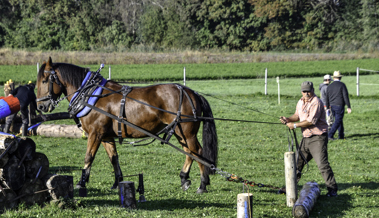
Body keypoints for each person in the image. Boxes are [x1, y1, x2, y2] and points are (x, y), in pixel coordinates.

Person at [280, 81, 338, 197]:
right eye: (304, 91)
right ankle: (289, 188)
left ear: (313, 90)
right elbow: (297, 115)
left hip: (318, 138)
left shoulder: (316, 102)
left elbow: (311, 121)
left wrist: (295, 125)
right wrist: (288, 119)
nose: (306, 93)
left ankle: (332, 190)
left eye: (308, 91)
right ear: (301, 91)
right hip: (305, 137)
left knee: (322, 164)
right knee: (296, 164)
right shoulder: (300, 101)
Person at [325, 71, 351, 140]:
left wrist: (327, 107)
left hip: (332, 106)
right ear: (340, 77)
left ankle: (341, 135)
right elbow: (345, 96)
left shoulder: (329, 86)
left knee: (339, 120)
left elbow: (326, 97)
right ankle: (330, 135)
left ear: (333, 77)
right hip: (340, 105)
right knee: (337, 121)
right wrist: (348, 106)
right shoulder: (342, 85)